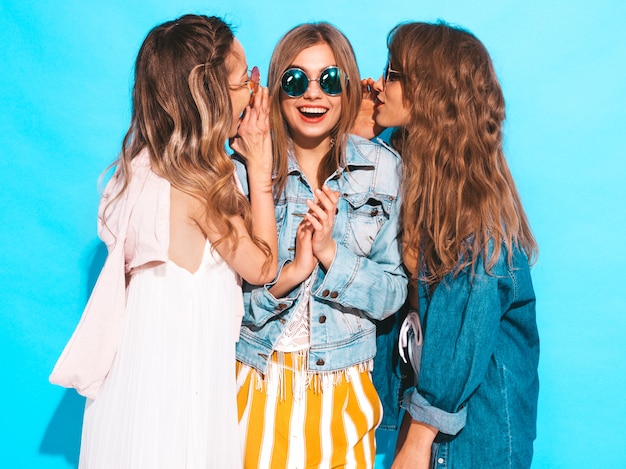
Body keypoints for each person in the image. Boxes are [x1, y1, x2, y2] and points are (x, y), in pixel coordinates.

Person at [49, 14, 277, 468]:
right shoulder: (202, 186)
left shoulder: (135, 171)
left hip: (133, 394)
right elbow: (264, 267)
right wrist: (259, 164)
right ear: (210, 96)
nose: (254, 92)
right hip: (180, 398)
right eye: (243, 82)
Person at [357, 21, 540, 469]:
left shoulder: (477, 221)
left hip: (474, 434)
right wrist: (360, 137)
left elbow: (461, 343)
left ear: (430, 95)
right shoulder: (408, 174)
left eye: (394, 75)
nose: (379, 85)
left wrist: (417, 444)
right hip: (428, 415)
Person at [233, 22, 408, 469]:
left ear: (347, 88)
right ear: (277, 90)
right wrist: (286, 277)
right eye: (296, 80)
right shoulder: (245, 171)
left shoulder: (385, 172)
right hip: (252, 379)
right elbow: (221, 305)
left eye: (329, 80)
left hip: (342, 388)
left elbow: (393, 294)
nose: (314, 95)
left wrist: (331, 254)